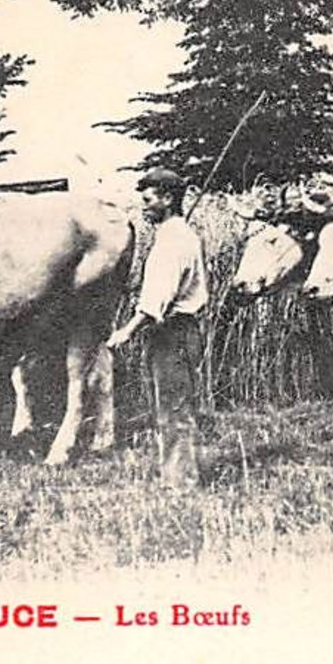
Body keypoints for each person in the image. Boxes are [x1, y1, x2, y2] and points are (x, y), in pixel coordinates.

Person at [107, 167, 208, 489]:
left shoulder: (173, 241)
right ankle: (175, 476)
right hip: (177, 332)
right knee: (169, 407)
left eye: (149, 199)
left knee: (173, 410)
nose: (144, 206)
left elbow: (156, 300)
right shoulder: (177, 235)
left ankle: (181, 483)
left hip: (172, 333)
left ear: (168, 198)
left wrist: (127, 331)